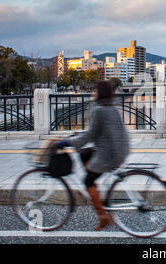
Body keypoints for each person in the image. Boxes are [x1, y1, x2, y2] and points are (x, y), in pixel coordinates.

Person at [55, 80, 130, 231]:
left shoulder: (99, 109)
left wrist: (66, 142)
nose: (92, 93)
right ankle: (95, 190)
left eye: (95, 90)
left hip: (109, 154)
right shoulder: (110, 106)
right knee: (83, 155)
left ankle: (103, 216)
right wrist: (77, 137)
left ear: (100, 93)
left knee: (87, 181)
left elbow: (90, 135)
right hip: (118, 148)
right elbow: (95, 133)